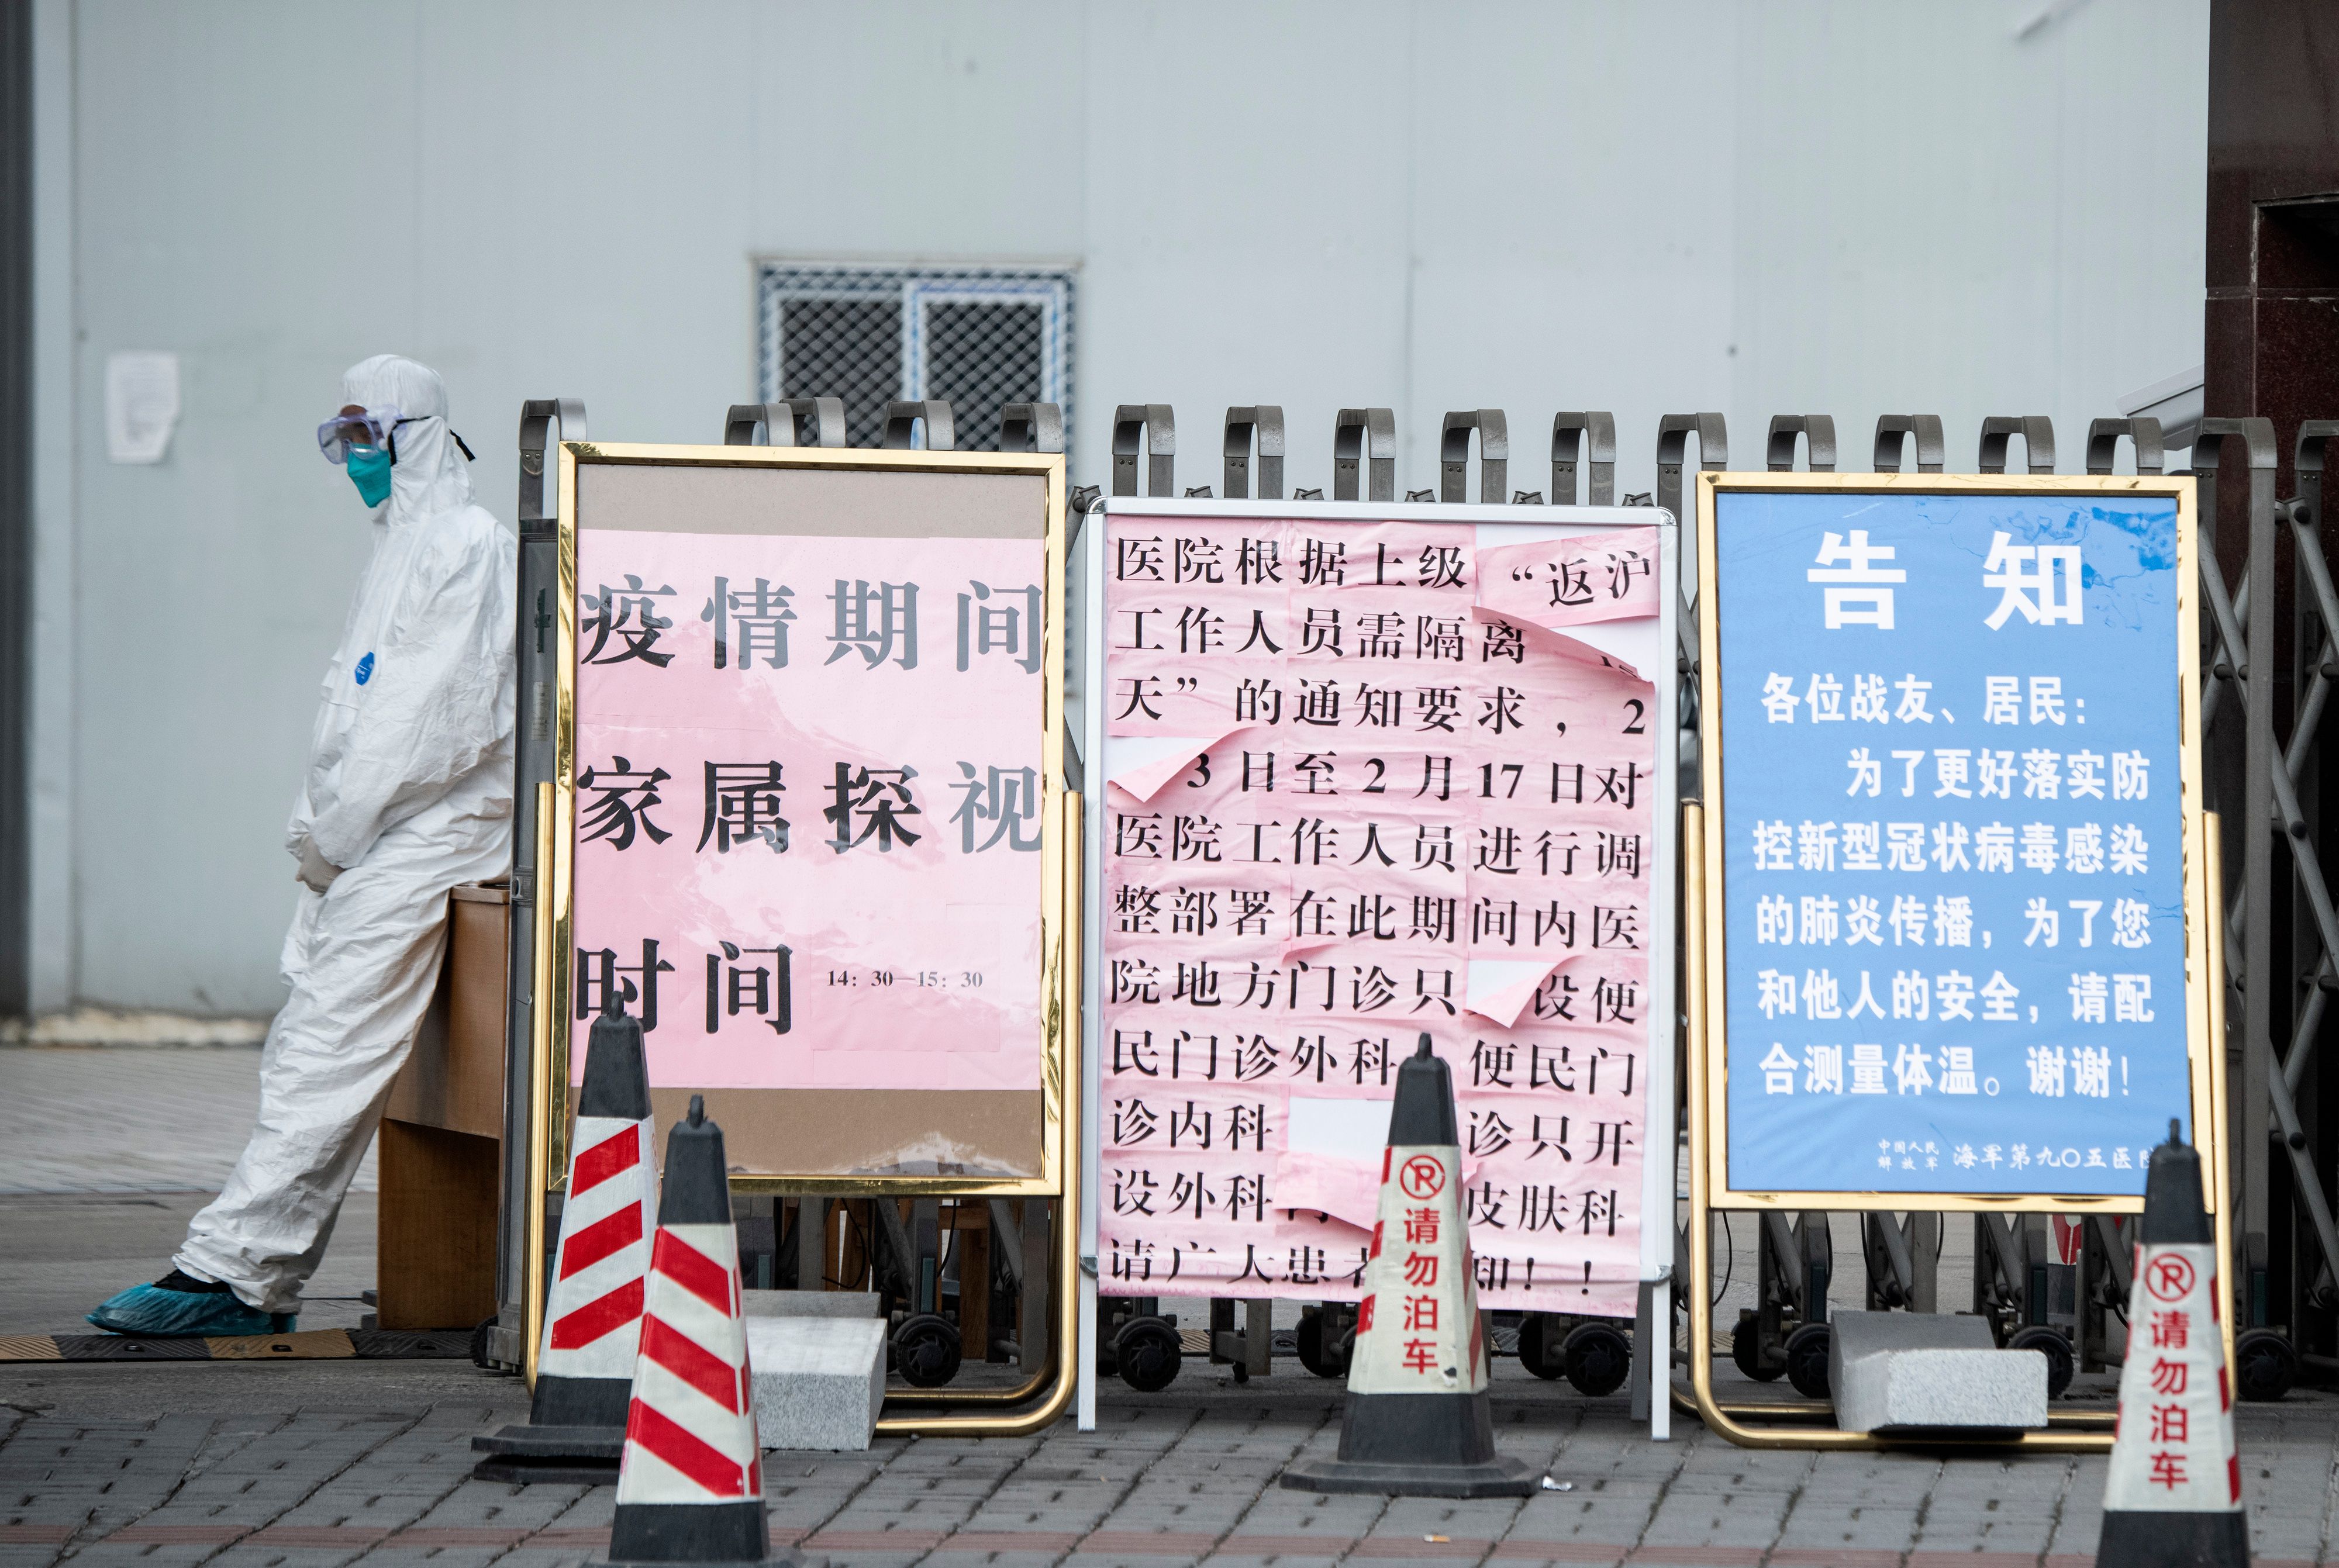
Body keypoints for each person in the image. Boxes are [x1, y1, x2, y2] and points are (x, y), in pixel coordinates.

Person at [89, 354, 515, 1336]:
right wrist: (317, 831)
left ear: (415, 434)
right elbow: (353, 704)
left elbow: (430, 726)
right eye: (343, 438)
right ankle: (241, 1267)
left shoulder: (464, 543)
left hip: (427, 829)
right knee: (306, 1046)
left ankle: (236, 1274)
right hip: (378, 831)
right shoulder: (400, 543)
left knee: (328, 1045)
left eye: (367, 435)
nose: (354, 456)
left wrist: (337, 833)